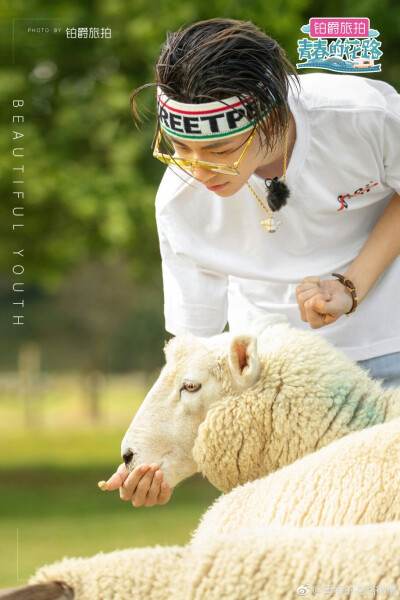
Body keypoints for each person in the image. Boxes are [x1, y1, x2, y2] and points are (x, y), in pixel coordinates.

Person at [106, 18, 400, 508]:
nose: (197, 173)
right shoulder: (180, 201)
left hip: (390, 349)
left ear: (270, 118)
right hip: (275, 398)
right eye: (180, 149)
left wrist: (353, 283)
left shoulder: (362, 116)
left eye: (218, 150)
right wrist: (154, 456)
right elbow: (191, 351)